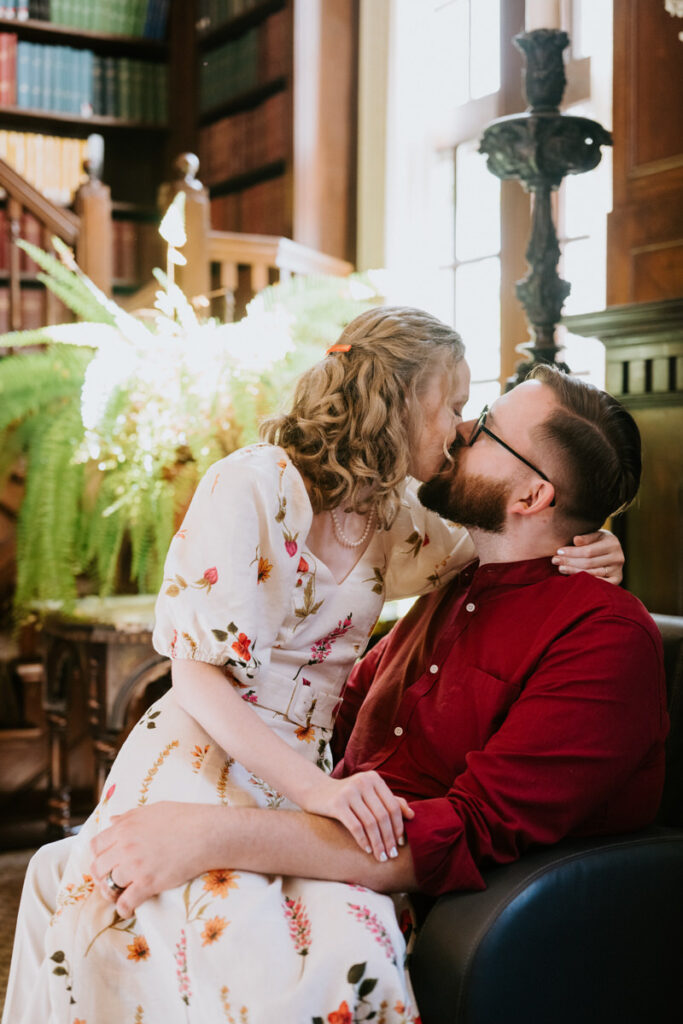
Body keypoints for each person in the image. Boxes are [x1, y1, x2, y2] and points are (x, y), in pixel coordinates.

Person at [3, 313, 627, 1024]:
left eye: (476, 419)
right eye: (455, 409)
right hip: (204, 750)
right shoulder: (251, 483)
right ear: (401, 401)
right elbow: (194, 676)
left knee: (350, 953)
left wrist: (590, 545)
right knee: (215, 942)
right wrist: (321, 794)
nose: (461, 430)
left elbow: (509, 541)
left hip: (302, 780)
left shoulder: (394, 522)